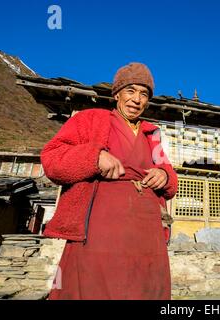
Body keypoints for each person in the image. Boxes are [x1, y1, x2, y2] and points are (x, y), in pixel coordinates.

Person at [41, 62, 178, 300]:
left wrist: (165, 175)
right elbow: (52, 159)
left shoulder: (152, 134)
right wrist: (93, 157)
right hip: (100, 225)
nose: (137, 99)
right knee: (96, 286)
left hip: (147, 228)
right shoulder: (91, 119)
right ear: (116, 94)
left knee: (146, 288)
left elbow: (168, 173)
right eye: (130, 90)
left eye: (144, 94)